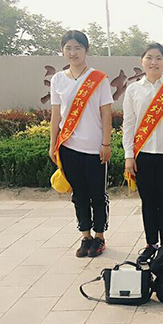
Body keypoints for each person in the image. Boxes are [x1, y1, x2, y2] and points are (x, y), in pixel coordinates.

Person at [49, 30, 113, 258]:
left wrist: (106, 143)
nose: (73, 52)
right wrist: (53, 144)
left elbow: (106, 113)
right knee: (79, 194)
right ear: (62, 51)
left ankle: (99, 236)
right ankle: (85, 236)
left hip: (95, 148)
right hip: (69, 147)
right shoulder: (58, 79)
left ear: (87, 50)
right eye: (68, 48)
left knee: (98, 195)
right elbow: (56, 115)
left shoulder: (99, 79)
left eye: (78, 47)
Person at [122, 43, 163, 265]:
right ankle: (151, 244)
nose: (154, 62)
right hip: (143, 155)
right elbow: (128, 124)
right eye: (149, 57)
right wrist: (129, 155)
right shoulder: (133, 90)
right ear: (142, 61)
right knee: (148, 202)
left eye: (159, 58)